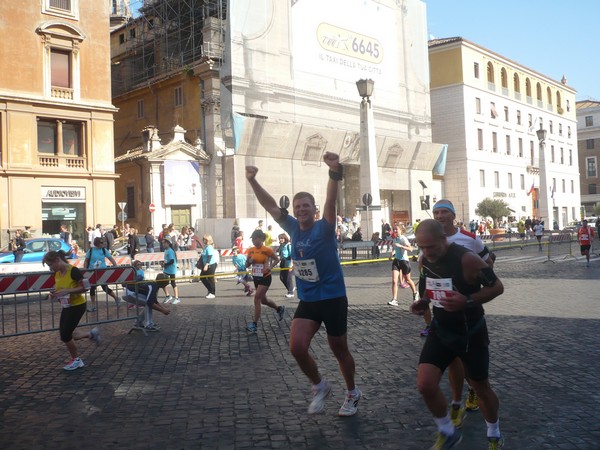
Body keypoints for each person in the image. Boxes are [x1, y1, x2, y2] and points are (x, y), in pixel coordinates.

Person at [245, 151, 362, 417]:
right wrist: (252, 181)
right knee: (297, 347)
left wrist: (334, 172)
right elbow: (271, 206)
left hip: (332, 298)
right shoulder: (293, 228)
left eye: (305, 206)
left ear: (314, 209)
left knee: (339, 349)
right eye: (297, 207)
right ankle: (320, 386)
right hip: (309, 300)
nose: (300, 210)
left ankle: (352, 392)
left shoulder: (325, 227)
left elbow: (331, 200)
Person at [411, 219, 504, 450]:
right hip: (441, 330)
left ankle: (494, 432)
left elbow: (497, 287)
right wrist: (423, 302)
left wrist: (468, 300)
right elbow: (429, 289)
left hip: (470, 332)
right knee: (425, 384)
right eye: (421, 247)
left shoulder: (466, 259)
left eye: (430, 246)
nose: (426, 252)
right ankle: (446, 430)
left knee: (481, 388)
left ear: (444, 239)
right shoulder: (425, 260)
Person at [420, 199, 494, 422]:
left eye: (444, 212)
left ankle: (488, 422)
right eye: (436, 212)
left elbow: (488, 264)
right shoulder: (427, 247)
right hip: (443, 322)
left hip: (469, 319)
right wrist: (424, 302)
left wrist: (472, 289)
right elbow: (426, 282)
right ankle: (455, 402)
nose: (440, 216)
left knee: (478, 380)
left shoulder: (469, 240)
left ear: (453, 215)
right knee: (449, 365)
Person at [43, 250, 100, 371]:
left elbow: (86, 287)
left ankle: (76, 360)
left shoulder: (73, 271)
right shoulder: (58, 273)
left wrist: (68, 291)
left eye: (50, 265)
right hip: (67, 306)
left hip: (77, 306)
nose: (50, 268)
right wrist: (53, 293)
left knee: (65, 335)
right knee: (66, 333)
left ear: (57, 260)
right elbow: (59, 287)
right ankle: (91, 334)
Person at [245, 229, 285, 333]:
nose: (253, 241)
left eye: (255, 239)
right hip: (256, 277)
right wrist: (249, 261)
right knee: (263, 300)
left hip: (265, 277)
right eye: (252, 239)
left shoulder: (267, 250)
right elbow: (246, 265)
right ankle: (279, 309)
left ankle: (254, 324)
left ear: (261, 239)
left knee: (257, 298)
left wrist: (270, 267)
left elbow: (277, 259)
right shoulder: (250, 250)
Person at [122, 259, 171, 331]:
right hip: (130, 293)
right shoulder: (153, 286)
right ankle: (149, 324)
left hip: (129, 292)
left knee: (148, 303)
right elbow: (150, 302)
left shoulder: (154, 285)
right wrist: (162, 311)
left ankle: (138, 323)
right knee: (148, 304)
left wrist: (163, 309)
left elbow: (155, 301)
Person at [84, 236, 121, 312]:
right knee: (92, 288)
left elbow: (111, 258)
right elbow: (86, 260)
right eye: (101, 242)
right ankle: (93, 305)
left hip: (102, 272)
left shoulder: (104, 250)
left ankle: (116, 298)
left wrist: (115, 266)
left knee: (105, 288)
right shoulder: (91, 250)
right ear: (97, 243)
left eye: (103, 242)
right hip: (92, 272)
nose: (103, 243)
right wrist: (85, 270)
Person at [387, 224, 418, 306]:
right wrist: (391, 254)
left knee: (408, 280)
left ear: (401, 230)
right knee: (394, 281)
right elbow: (395, 249)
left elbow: (411, 249)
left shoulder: (403, 238)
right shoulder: (395, 239)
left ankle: (415, 293)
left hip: (404, 261)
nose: (395, 231)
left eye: (396, 229)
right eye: (394, 229)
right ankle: (394, 299)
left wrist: (401, 246)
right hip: (396, 261)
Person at [160, 238, 180, 304]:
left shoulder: (170, 251)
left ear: (168, 243)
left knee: (173, 283)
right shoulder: (166, 250)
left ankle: (177, 298)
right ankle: (168, 295)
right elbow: (167, 259)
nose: (163, 245)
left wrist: (165, 264)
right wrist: (163, 263)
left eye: (164, 243)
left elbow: (172, 261)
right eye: (162, 243)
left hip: (171, 269)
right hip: (167, 269)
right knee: (162, 282)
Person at [199, 234, 218, 299]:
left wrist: (206, 265)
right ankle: (210, 290)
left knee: (210, 279)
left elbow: (210, 256)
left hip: (210, 265)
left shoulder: (209, 247)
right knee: (202, 277)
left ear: (207, 240)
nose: (203, 240)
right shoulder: (206, 247)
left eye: (204, 239)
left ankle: (212, 292)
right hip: (206, 264)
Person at [277, 233, 294, 298]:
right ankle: (290, 288)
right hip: (283, 263)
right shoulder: (281, 246)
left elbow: (292, 255)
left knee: (288, 278)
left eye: (282, 238)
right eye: (280, 238)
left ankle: (290, 292)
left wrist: (291, 265)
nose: (281, 239)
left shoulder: (288, 245)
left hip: (289, 263)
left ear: (285, 238)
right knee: (282, 278)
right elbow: (279, 254)